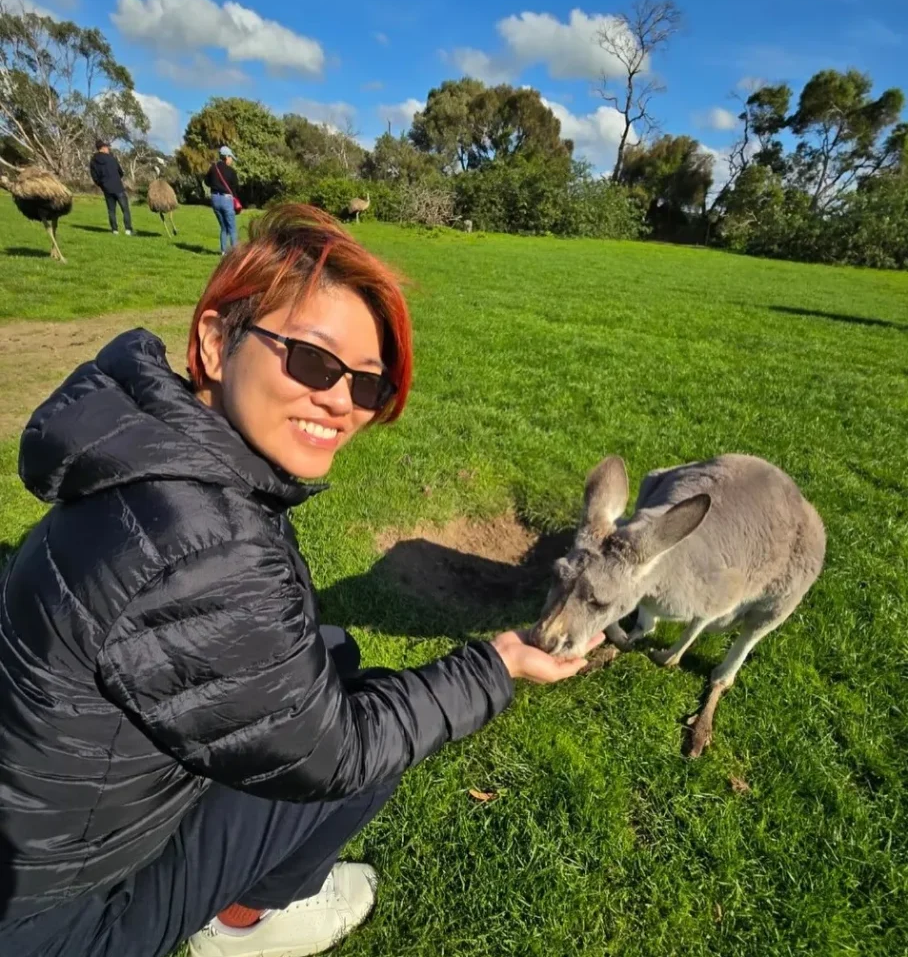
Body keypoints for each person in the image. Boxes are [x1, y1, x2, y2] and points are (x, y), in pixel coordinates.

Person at [0, 204, 602, 957]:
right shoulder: (201, 543)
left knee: (335, 657)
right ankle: (246, 923)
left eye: (369, 387)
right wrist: (499, 662)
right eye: (313, 362)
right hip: (65, 922)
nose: (341, 403)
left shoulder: (150, 457)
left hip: (51, 840)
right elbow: (338, 751)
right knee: (372, 737)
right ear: (217, 342)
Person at [90, 139, 133, 235]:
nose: (108, 149)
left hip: (106, 188)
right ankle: (128, 230)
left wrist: (102, 185)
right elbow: (121, 172)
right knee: (125, 209)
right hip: (118, 187)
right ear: (103, 148)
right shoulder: (112, 159)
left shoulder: (93, 161)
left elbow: (94, 177)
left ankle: (115, 230)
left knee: (111, 210)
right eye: (107, 147)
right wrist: (116, 179)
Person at [205, 145, 241, 254]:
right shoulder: (231, 171)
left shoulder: (213, 168)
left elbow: (206, 181)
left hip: (215, 199)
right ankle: (235, 253)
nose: (231, 160)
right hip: (226, 200)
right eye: (231, 158)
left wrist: (215, 185)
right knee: (232, 228)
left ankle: (223, 252)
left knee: (223, 227)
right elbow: (235, 187)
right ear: (226, 157)